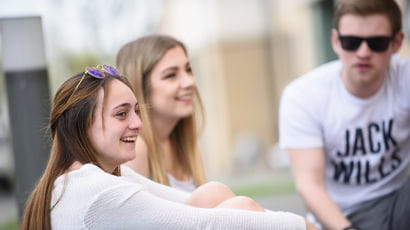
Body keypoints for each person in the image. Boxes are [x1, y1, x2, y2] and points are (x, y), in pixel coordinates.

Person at [21, 65, 315, 229]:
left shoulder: (93, 177)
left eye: (136, 111)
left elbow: (184, 203)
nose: (137, 124)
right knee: (240, 209)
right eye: (122, 114)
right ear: (80, 124)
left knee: (216, 195)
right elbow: (206, 225)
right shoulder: (95, 190)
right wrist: (303, 225)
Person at [279, 0, 410, 229]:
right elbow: (310, 186)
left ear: (396, 42)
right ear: (335, 41)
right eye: (351, 42)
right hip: (343, 217)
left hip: (399, 204)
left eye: (377, 43)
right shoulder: (303, 96)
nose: (363, 53)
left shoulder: (405, 80)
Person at [116, 35, 206, 192]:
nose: (189, 82)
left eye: (189, 70)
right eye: (171, 75)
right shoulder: (136, 149)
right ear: (141, 88)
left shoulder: (189, 146)